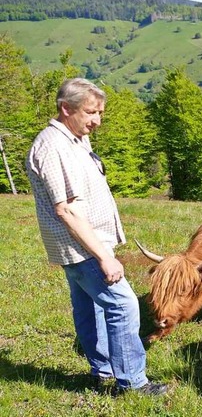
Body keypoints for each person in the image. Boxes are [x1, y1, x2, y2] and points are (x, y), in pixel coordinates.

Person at [25, 78, 167, 395]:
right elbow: (67, 210)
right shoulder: (54, 147)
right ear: (66, 108)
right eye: (91, 112)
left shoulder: (74, 138)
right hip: (83, 246)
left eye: (100, 112)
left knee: (91, 307)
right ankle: (131, 382)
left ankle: (103, 371)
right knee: (124, 305)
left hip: (83, 244)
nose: (97, 121)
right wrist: (104, 256)